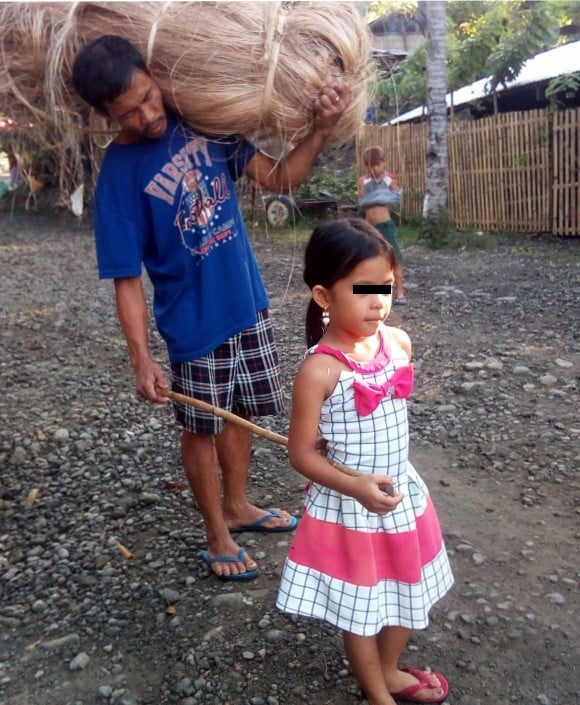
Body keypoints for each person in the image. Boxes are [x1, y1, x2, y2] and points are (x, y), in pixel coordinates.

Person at [71, 35, 349, 582]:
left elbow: (277, 178)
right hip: (192, 324)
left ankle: (239, 505)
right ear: (105, 114)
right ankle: (215, 531)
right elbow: (125, 279)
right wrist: (141, 359)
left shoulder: (202, 120)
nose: (149, 115)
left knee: (239, 411)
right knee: (201, 427)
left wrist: (318, 130)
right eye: (129, 112)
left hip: (247, 303)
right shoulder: (119, 177)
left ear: (152, 72)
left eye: (149, 96)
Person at [276, 219, 454, 704]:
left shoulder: (398, 344)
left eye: (388, 287)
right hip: (351, 508)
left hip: (400, 497)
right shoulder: (319, 370)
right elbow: (300, 453)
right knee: (362, 608)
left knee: (405, 590)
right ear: (323, 296)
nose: (379, 301)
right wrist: (351, 484)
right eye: (364, 289)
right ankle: (378, 693)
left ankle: (391, 668)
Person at [358, 146, 407, 305]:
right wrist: (378, 196)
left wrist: (379, 195)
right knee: (369, 258)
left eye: (377, 164)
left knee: (393, 257)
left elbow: (396, 197)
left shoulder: (389, 179)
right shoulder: (363, 181)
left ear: (383, 163)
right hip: (369, 227)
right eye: (371, 165)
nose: (375, 168)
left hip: (385, 225)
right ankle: (376, 291)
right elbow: (362, 202)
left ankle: (400, 292)